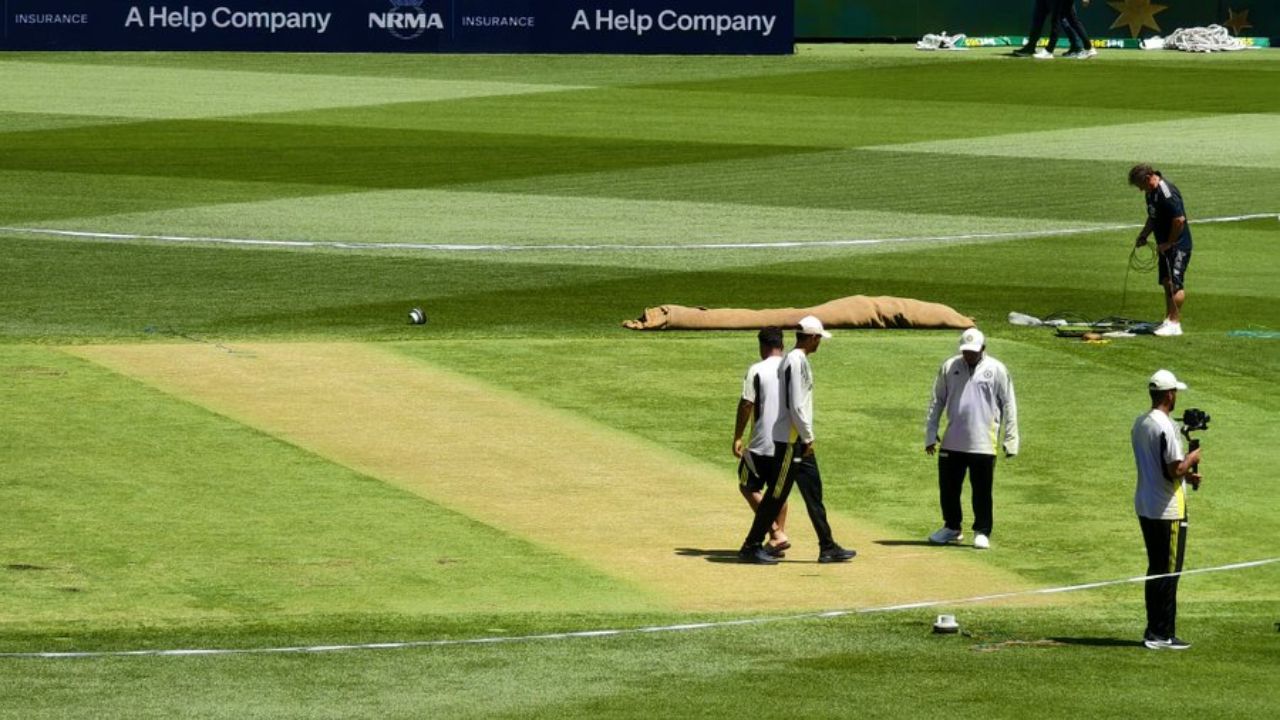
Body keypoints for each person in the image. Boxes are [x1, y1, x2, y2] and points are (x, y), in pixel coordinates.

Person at [738, 315, 857, 565]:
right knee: (776, 496)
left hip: (797, 440)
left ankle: (827, 545)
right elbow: (796, 404)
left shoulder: (795, 360)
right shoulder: (795, 360)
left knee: (813, 492)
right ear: (812, 337)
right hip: (792, 441)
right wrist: (807, 435)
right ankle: (751, 545)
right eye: (818, 339)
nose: (819, 344)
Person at [924, 328, 1019, 550]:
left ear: (983, 349)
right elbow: (937, 400)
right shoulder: (950, 367)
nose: (968, 355)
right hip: (952, 439)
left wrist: (1011, 438)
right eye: (965, 351)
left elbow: (1009, 404)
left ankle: (982, 530)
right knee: (948, 488)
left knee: (982, 491)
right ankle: (952, 528)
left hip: (983, 442)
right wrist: (930, 433)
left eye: (973, 351)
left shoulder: (996, 369)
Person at [1131, 369, 1202, 650]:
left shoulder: (1141, 423)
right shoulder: (1167, 427)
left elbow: (1159, 466)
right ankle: (1163, 634)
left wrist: (1186, 474)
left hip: (1147, 504)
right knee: (1169, 572)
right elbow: (1174, 468)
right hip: (1168, 509)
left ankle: (1154, 629)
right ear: (1169, 394)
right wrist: (1192, 459)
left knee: (1156, 568)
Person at [732, 327, 790, 555]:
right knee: (779, 491)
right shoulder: (792, 368)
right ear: (782, 345)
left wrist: (738, 436)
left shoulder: (757, 369)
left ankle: (776, 533)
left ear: (763, 346)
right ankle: (777, 543)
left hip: (761, 441)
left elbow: (747, 403)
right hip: (787, 441)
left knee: (747, 485)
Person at [1129, 163, 1193, 337]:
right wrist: (1144, 235)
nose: (1141, 190)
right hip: (1165, 245)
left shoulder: (1167, 193)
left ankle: (1175, 323)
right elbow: (1153, 216)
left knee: (1174, 283)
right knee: (1167, 281)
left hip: (1178, 245)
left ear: (1149, 177)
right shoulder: (1151, 193)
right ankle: (1168, 319)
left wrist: (1169, 243)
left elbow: (1179, 220)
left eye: (1141, 185)